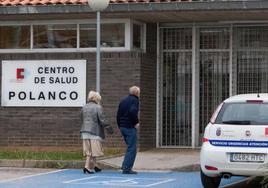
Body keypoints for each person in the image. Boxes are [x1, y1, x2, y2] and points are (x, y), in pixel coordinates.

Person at [80, 91, 113, 174]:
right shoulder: (98, 107)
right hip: (94, 131)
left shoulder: (84, 107)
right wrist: (109, 128)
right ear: (96, 98)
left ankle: (96, 166)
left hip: (84, 130)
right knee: (91, 151)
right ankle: (86, 167)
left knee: (89, 150)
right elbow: (102, 120)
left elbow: (82, 118)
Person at [117, 86, 140, 174]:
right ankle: (126, 168)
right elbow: (133, 111)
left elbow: (118, 114)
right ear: (136, 93)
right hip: (129, 127)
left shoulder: (123, 100)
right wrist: (136, 122)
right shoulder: (135, 100)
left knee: (129, 147)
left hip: (122, 126)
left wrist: (120, 125)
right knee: (132, 148)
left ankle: (125, 166)